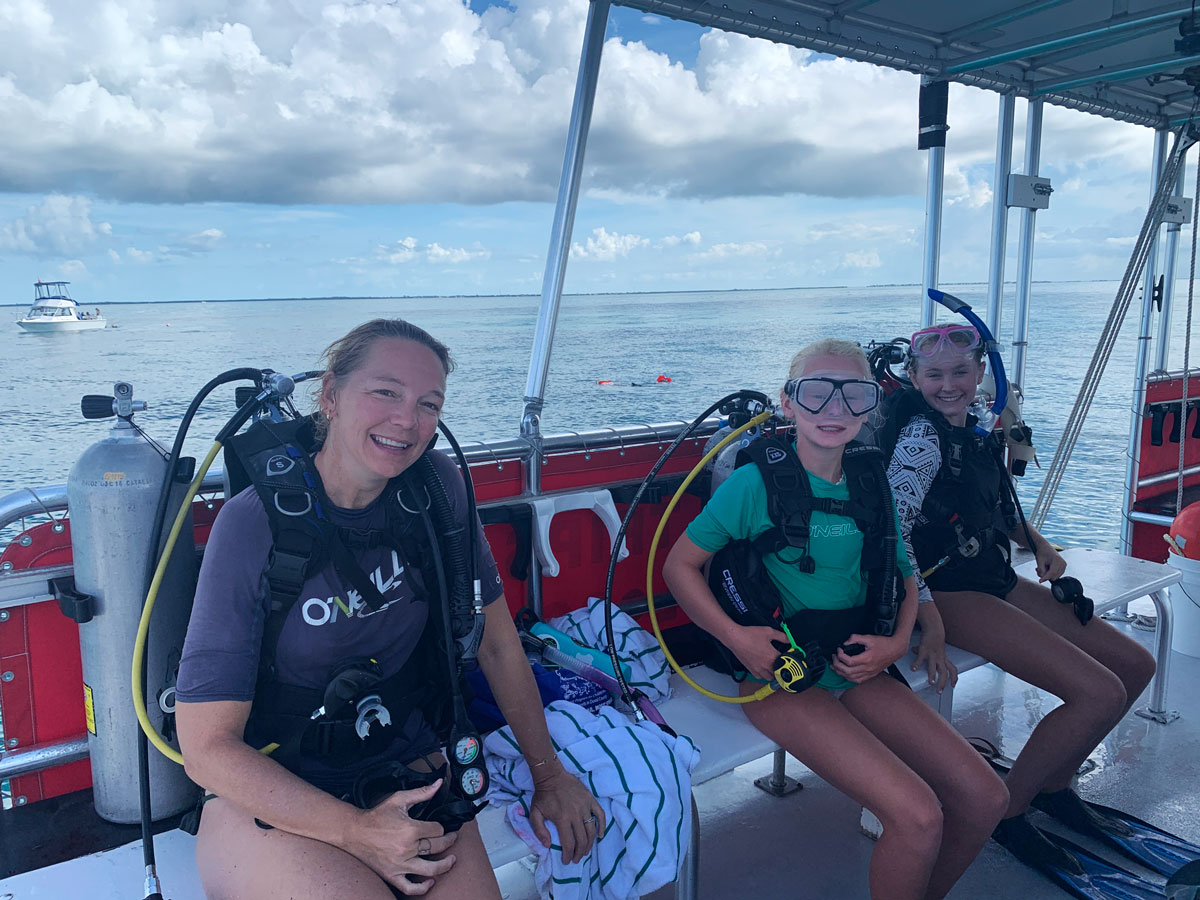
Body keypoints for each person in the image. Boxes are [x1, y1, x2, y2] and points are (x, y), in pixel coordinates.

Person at [175, 319, 603, 900]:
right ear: (330, 395)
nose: (408, 419)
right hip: (278, 789)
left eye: (429, 403)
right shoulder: (253, 524)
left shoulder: (435, 493)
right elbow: (206, 749)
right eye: (386, 392)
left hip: (406, 766)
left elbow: (498, 644)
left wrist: (548, 774)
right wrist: (356, 832)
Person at [663, 338, 1008, 900]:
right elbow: (680, 566)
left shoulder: (873, 483)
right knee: (918, 815)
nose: (835, 409)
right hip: (780, 677)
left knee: (985, 795)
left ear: (871, 406)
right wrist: (737, 638)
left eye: (854, 395)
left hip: (859, 661)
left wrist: (899, 642)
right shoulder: (754, 485)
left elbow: (901, 572)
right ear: (789, 403)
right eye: (817, 393)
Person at [883, 322, 1156, 861]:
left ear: (980, 372)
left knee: (1134, 667)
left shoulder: (978, 426)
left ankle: (1053, 786)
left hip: (994, 576)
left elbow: (996, 506)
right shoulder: (920, 438)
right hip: (944, 590)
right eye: (933, 374)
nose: (949, 384)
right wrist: (930, 621)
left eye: (961, 371)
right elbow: (893, 531)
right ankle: (1008, 811)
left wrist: (1040, 542)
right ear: (914, 379)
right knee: (1098, 692)